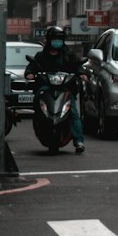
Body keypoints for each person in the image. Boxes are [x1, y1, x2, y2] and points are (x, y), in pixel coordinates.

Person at [25, 25, 87, 154]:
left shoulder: (69, 55)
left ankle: (78, 141)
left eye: (59, 39)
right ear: (49, 40)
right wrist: (29, 73)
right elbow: (31, 67)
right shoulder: (41, 56)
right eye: (54, 39)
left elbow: (77, 66)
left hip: (65, 88)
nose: (57, 42)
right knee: (37, 101)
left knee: (73, 113)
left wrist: (82, 74)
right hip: (45, 87)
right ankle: (40, 123)